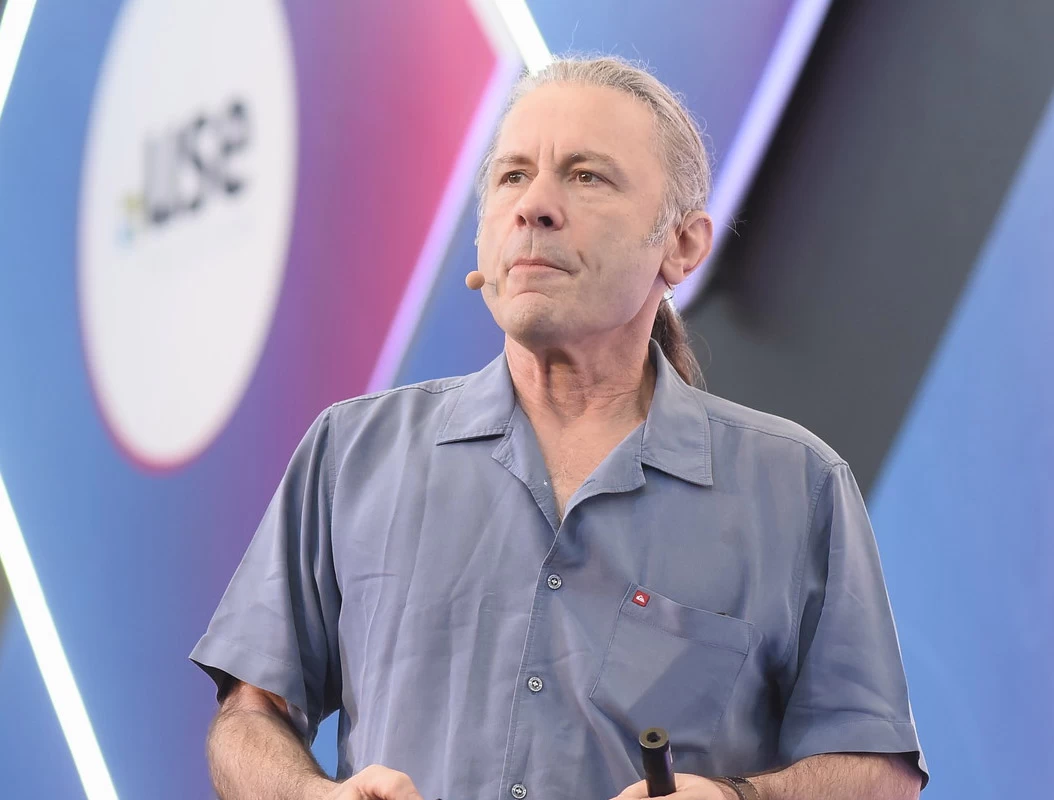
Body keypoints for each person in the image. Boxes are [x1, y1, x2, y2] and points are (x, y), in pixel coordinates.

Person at [191, 55, 928, 800]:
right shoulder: (351, 453)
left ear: (682, 245)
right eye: (512, 176)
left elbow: (878, 772)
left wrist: (742, 799)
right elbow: (249, 718)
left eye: (586, 176)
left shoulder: (795, 486)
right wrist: (313, 796)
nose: (534, 207)